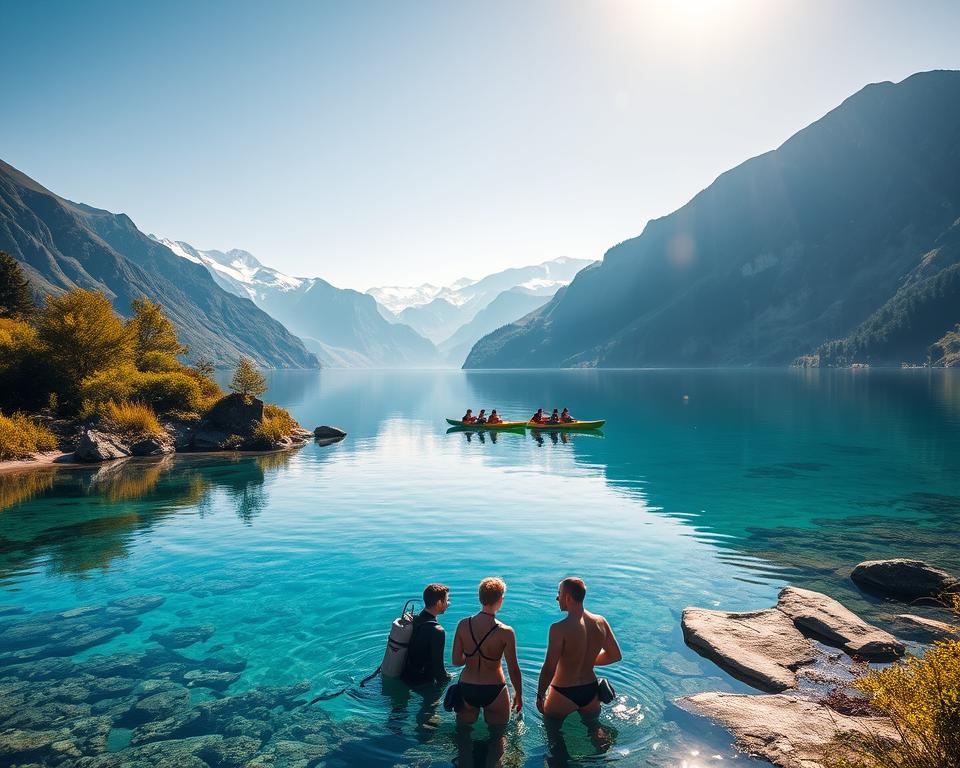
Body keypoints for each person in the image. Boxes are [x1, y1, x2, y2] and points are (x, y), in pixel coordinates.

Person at [536, 577, 622, 723]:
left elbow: (549, 667)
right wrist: (586, 659)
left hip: (562, 691)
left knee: (553, 732)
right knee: (595, 729)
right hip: (591, 690)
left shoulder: (559, 628)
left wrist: (540, 696)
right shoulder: (600, 621)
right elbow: (615, 656)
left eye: (559, 593)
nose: (557, 598)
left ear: (568, 597)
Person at [452, 577, 523, 727]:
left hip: (467, 686)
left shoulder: (463, 625)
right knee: (498, 737)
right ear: (500, 600)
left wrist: (471, 654)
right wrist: (519, 694)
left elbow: (456, 661)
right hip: (494, 688)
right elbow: (513, 668)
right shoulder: (506, 632)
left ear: (480, 597)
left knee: (463, 736)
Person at [402, 583, 453, 687]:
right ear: (439, 602)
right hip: (423, 683)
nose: (449, 603)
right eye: (447, 600)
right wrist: (451, 678)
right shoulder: (437, 631)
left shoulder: (413, 620)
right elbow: (439, 672)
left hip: (404, 676)